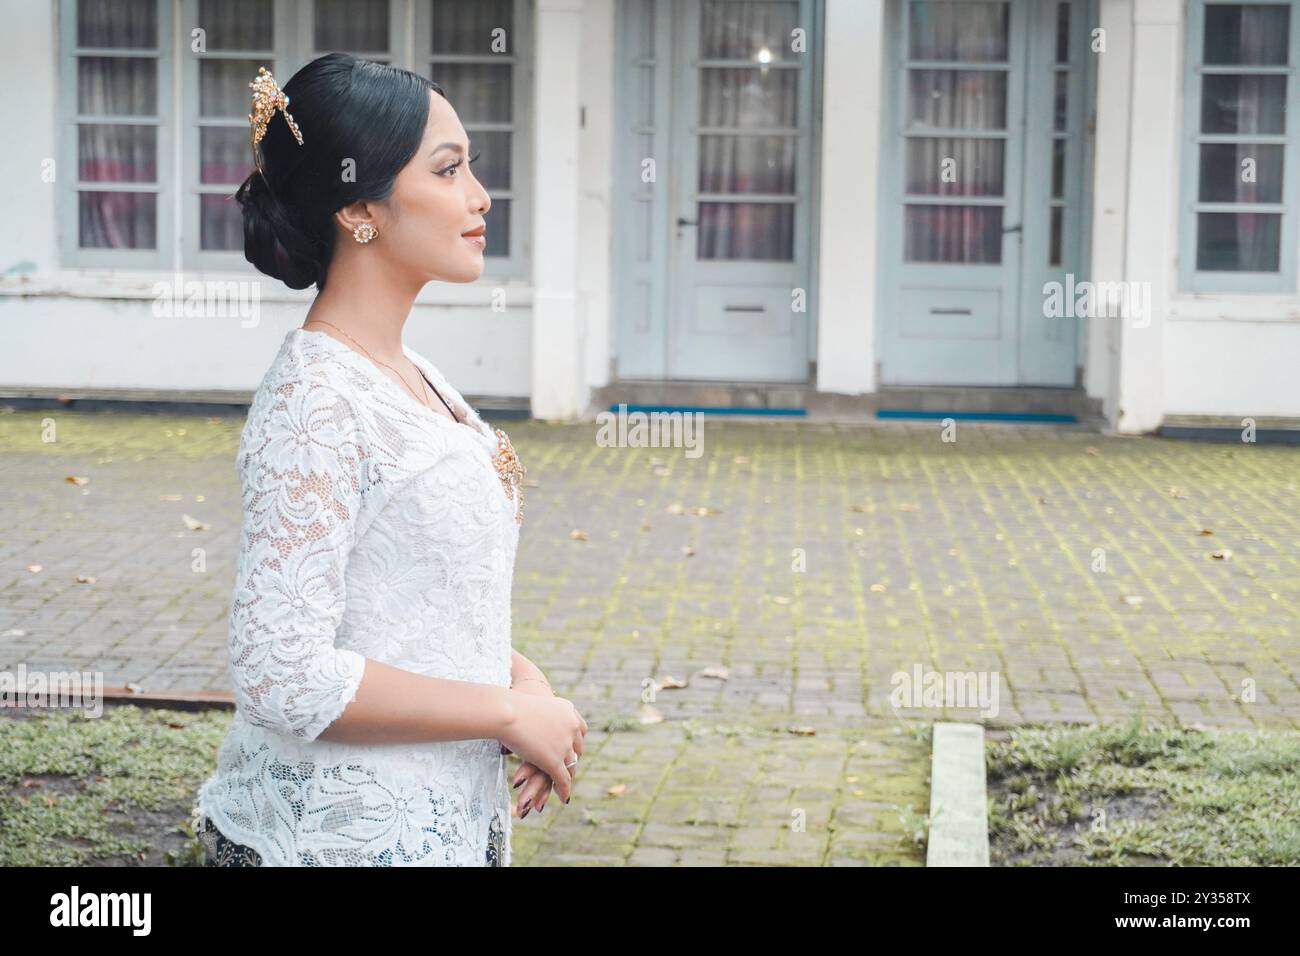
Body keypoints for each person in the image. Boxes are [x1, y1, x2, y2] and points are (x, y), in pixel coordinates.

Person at [189, 52, 587, 866]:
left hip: (434, 826)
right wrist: (502, 715)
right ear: (360, 205)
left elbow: (408, 602)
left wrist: (522, 686)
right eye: (449, 170)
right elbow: (282, 673)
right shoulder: (315, 401)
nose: (480, 197)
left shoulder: (409, 372)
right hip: (334, 841)